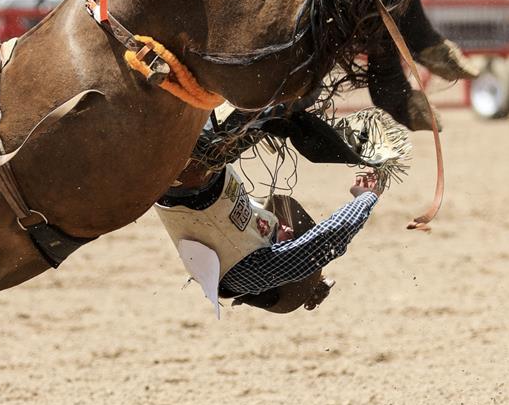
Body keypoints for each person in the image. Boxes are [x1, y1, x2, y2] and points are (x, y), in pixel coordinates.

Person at [155, 105, 408, 316]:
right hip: (194, 169)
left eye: (289, 237)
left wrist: (366, 198)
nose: (285, 227)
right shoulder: (236, 265)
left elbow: (327, 240)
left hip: (193, 169)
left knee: (277, 101)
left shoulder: (247, 275)